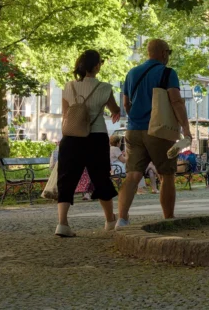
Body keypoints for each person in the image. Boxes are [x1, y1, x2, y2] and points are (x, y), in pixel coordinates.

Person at [116, 39, 191, 230]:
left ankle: (122, 219)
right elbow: (176, 101)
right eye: (169, 52)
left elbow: (126, 103)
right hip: (158, 130)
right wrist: (186, 128)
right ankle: (168, 218)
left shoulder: (131, 73)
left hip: (133, 130)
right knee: (167, 174)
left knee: (132, 176)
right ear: (164, 53)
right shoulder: (167, 73)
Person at [54, 50, 121, 237]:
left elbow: (66, 115)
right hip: (96, 137)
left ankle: (62, 223)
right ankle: (109, 220)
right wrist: (115, 112)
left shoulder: (68, 87)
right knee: (100, 177)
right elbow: (115, 110)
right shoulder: (105, 87)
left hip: (71, 137)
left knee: (66, 178)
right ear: (97, 66)